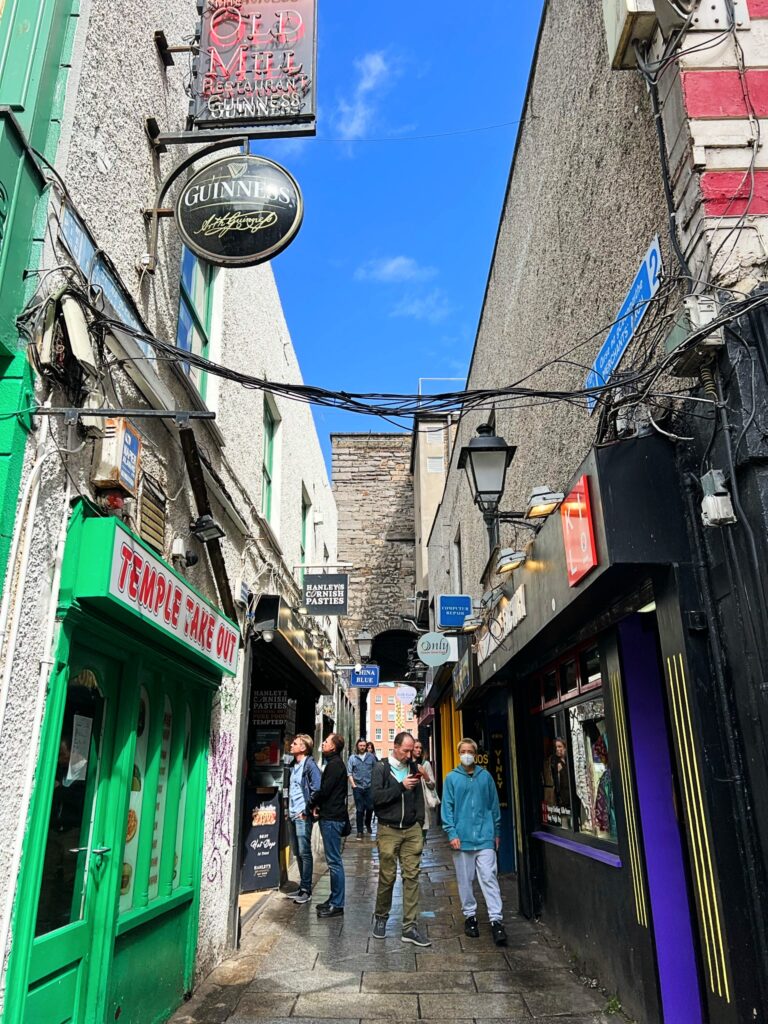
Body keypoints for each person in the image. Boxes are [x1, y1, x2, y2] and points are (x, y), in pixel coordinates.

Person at [442, 737, 507, 947]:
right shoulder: (451, 778)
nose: (467, 754)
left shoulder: (485, 776)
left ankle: (496, 920)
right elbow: (447, 808)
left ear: (475, 754)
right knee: (465, 880)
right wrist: (451, 833)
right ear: (459, 753)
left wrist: (496, 831)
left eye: (470, 750)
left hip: (485, 836)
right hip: (462, 840)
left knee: (489, 877)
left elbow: (494, 805)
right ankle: (470, 917)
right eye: (464, 751)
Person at [370, 731, 431, 946]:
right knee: (387, 877)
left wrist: (419, 821)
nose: (409, 754)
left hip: (411, 830)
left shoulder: (414, 768)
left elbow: (419, 796)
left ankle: (410, 927)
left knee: (412, 877)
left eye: (410, 750)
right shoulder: (381, 768)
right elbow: (375, 799)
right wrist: (400, 787)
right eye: (405, 750)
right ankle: (381, 917)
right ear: (395, 747)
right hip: (388, 829)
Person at [310, 733, 348, 918]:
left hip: (333, 819)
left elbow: (325, 791)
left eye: (326, 741)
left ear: (333, 747)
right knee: (333, 861)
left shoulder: (335, 765)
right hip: (330, 816)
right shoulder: (334, 764)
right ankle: (334, 898)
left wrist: (312, 803)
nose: (323, 743)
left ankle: (337, 904)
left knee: (334, 862)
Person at [285, 733, 321, 904]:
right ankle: (301, 887)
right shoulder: (294, 765)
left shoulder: (310, 765)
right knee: (297, 852)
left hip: (302, 814)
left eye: (295, 743)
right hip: (292, 814)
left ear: (303, 748)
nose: (291, 745)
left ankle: (307, 890)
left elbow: (317, 789)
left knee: (305, 852)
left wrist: (306, 810)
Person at [347, 738, 376, 839]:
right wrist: (354, 785)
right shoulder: (352, 758)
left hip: (369, 787)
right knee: (359, 809)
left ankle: (367, 823)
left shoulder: (371, 757)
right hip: (358, 787)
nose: (362, 747)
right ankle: (360, 831)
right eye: (361, 745)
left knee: (370, 807)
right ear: (357, 746)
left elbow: (376, 771)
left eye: (364, 745)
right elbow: (349, 773)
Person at [412, 738, 438, 839]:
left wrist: (425, 774)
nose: (419, 750)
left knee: (423, 832)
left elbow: (432, 784)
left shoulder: (425, 764)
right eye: (416, 747)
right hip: (409, 802)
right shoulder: (406, 763)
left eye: (420, 748)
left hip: (422, 802)